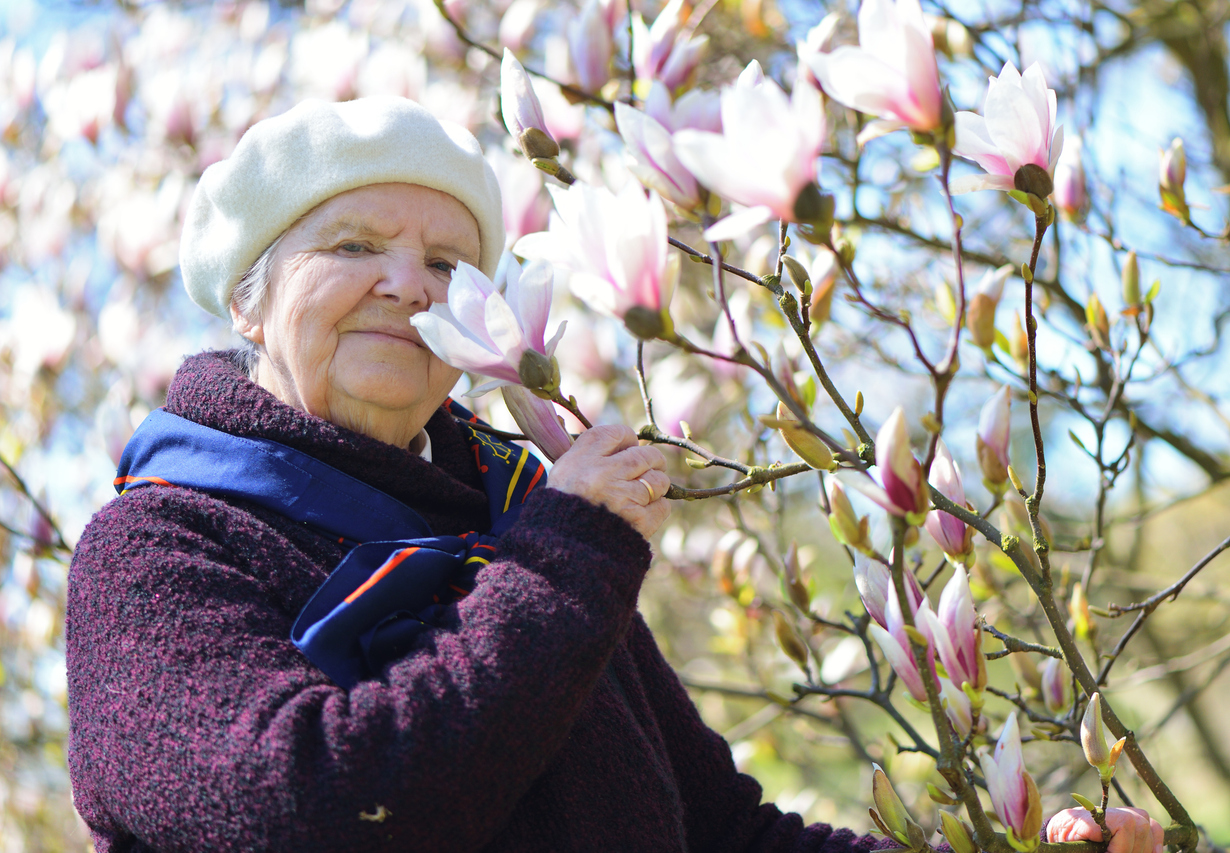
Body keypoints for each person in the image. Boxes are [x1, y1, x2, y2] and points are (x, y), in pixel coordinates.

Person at [65, 97, 1164, 852]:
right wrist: (564, 556)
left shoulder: (521, 530)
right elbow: (317, 808)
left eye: (448, 263)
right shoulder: (162, 546)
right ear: (251, 299)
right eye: (351, 244)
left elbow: (727, 837)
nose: (408, 283)